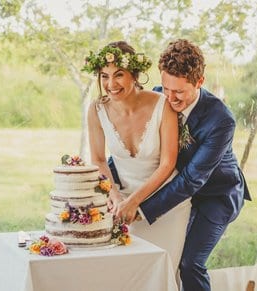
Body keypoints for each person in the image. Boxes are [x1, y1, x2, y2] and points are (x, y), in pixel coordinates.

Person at [119, 39, 251, 291]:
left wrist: (142, 209)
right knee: (163, 255)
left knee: (190, 263)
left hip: (216, 196)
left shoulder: (221, 120)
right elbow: (138, 139)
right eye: (166, 89)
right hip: (175, 193)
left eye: (178, 92)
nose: (169, 98)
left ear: (199, 81)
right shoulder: (159, 96)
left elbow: (192, 180)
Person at [85, 41, 190, 285]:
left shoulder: (162, 105)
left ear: (134, 74)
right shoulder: (96, 110)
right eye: (104, 76)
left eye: (118, 75)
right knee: (122, 278)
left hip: (166, 206)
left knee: (157, 279)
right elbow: (99, 160)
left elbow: (168, 163)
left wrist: (135, 201)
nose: (111, 84)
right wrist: (116, 197)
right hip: (123, 205)